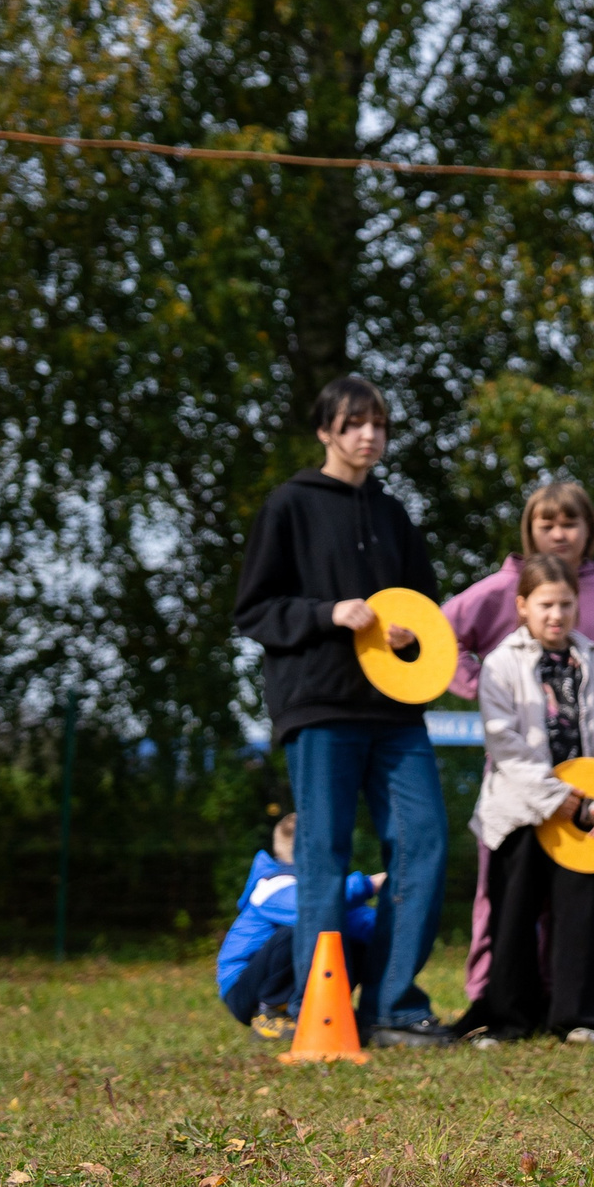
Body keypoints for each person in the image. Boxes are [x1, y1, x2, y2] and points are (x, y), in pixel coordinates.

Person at [232, 374, 458, 1048]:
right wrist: (329, 613)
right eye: (355, 423)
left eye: (379, 425)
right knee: (323, 858)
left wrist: (412, 634)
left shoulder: (394, 516)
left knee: (424, 843)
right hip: (318, 708)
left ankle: (395, 1008)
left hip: (396, 713)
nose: (369, 436)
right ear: (326, 431)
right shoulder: (290, 505)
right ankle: (317, 1011)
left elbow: (425, 610)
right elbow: (254, 611)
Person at [444, 481, 594, 1003]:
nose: (558, 534)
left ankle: (571, 998)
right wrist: (475, 684)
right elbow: (443, 634)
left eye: (569, 523)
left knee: (581, 898)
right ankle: (492, 995)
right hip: (520, 781)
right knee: (505, 897)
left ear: (590, 532)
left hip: (591, 772)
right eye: (546, 524)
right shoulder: (499, 592)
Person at [452, 555, 594, 1044]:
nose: (557, 615)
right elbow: (504, 742)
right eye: (546, 604)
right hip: (520, 810)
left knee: (581, 916)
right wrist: (557, 797)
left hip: (585, 812)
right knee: (513, 915)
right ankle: (508, 1019)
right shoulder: (501, 663)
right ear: (523, 607)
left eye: (566, 604)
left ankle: (580, 1018)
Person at [216, 813, 381, 1040]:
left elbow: (359, 922)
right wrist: (369, 884)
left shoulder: (320, 892)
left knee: (352, 938)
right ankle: (271, 1013)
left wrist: (395, 920)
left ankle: (328, 1008)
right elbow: (309, 908)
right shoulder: (271, 886)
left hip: (278, 976)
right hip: (243, 989)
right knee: (303, 926)